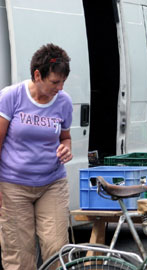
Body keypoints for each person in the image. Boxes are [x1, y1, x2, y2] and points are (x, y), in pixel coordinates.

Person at [0, 43, 73, 270]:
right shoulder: (11, 97)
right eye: (54, 82)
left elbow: (65, 137)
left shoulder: (64, 102)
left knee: (57, 249)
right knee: (19, 255)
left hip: (51, 183)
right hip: (13, 185)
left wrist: (67, 148)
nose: (60, 88)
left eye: (63, 82)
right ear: (37, 75)